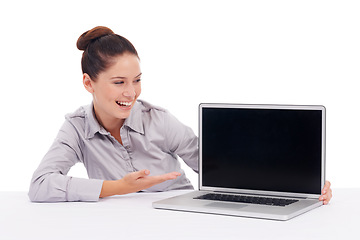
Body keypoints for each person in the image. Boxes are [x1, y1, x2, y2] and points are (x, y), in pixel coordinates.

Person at [28, 26, 332, 204]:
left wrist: (296, 183)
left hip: (179, 212)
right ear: (88, 83)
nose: (131, 93)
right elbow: (40, 185)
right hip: (119, 223)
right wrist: (120, 187)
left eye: (136, 80)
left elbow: (212, 163)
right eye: (119, 83)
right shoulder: (76, 128)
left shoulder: (156, 119)